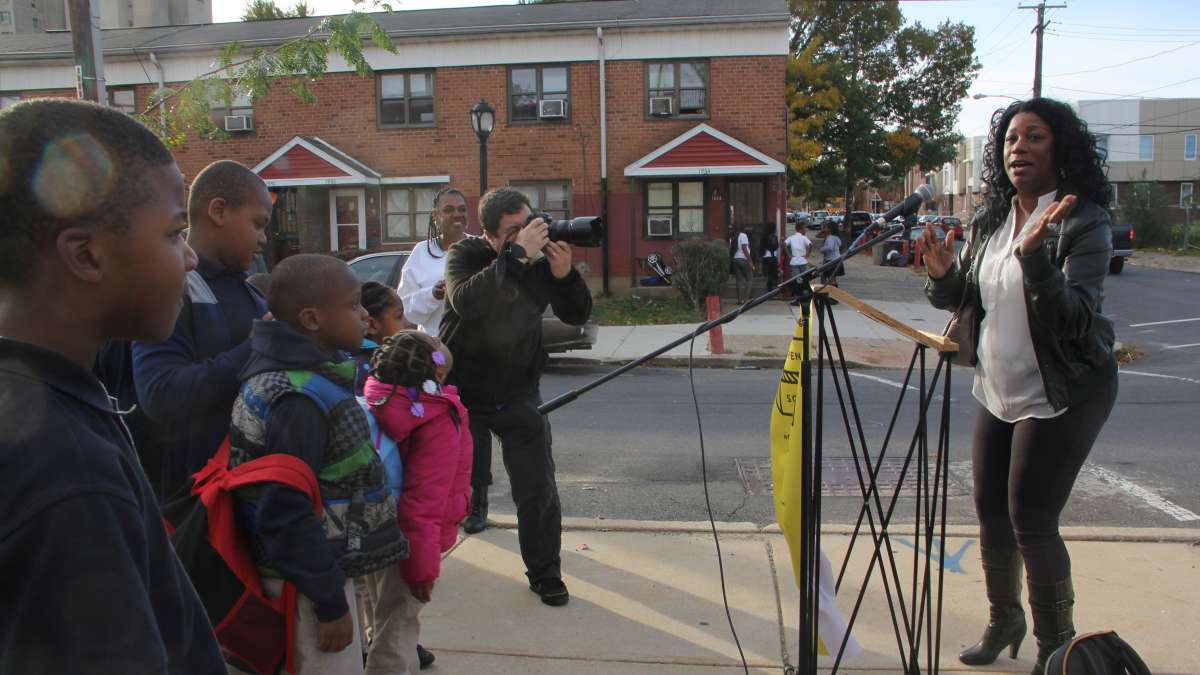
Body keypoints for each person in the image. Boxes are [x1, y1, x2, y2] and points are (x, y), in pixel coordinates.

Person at [0, 99, 224, 672]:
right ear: (87, 255)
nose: (192, 258)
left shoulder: (46, 404)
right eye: (175, 233)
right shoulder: (67, 473)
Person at [922, 98, 1118, 675]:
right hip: (998, 385)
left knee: (1032, 519)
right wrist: (942, 277)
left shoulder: (1083, 222)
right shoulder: (992, 219)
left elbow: (1075, 320)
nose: (1019, 149)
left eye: (1034, 137)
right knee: (989, 512)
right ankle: (1004, 619)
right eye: (1010, 139)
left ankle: (1057, 650)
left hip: (1066, 390)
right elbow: (970, 299)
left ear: (1059, 148)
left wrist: (1036, 258)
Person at [228, 254, 409, 674]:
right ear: (311, 319)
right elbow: (285, 512)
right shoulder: (299, 400)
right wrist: (329, 603)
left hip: (314, 575)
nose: (365, 315)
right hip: (307, 588)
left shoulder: (305, 378)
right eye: (352, 306)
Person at [441, 186, 592, 606]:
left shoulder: (535, 264)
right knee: (444, 487)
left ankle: (545, 575)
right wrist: (515, 256)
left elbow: (577, 315)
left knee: (538, 490)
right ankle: (419, 564)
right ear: (491, 235)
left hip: (518, 394)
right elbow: (466, 302)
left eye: (527, 224)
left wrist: (565, 275)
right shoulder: (466, 257)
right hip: (463, 395)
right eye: (513, 230)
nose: (526, 234)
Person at [132, 159, 271, 499]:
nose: (264, 239)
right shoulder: (175, 291)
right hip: (195, 505)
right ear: (219, 211)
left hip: (249, 493)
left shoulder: (251, 293)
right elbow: (160, 394)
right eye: (258, 224)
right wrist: (255, 347)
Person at [363, 331, 472, 673]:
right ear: (438, 375)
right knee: (398, 630)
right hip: (409, 545)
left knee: (378, 612)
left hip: (369, 526)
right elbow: (424, 501)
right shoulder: (437, 419)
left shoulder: (375, 398)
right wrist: (421, 569)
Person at [398, 188, 470, 334]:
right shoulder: (421, 252)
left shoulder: (480, 247)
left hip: (475, 350)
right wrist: (433, 295)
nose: (457, 214)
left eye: (462, 209)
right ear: (435, 216)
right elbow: (407, 311)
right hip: (435, 350)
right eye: (449, 210)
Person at [353, 281, 413, 396]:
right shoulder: (362, 371)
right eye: (399, 316)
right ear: (372, 325)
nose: (408, 323)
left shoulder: (397, 358)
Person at [783, 222, 813, 303]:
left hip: (794, 260)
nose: (805, 230)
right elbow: (810, 245)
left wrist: (789, 255)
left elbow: (784, 244)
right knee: (804, 279)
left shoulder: (791, 237)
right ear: (800, 229)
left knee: (797, 280)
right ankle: (805, 294)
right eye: (804, 228)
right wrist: (807, 255)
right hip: (803, 260)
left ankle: (797, 296)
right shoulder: (804, 238)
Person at [730, 224, 756, 304]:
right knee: (749, 279)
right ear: (742, 229)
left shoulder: (733, 237)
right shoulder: (743, 235)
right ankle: (745, 300)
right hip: (743, 259)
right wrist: (750, 261)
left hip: (735, 259)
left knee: (739, 280)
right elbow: (744, 248)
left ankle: (739, 300)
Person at [760, 229, 780, 294]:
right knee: (773, 273)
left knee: (768, 274)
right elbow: (775, 246)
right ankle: (771, 289)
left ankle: (769, 288)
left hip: (765, 257)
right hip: (772, 257)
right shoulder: (774, 237)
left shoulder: (763, 237)